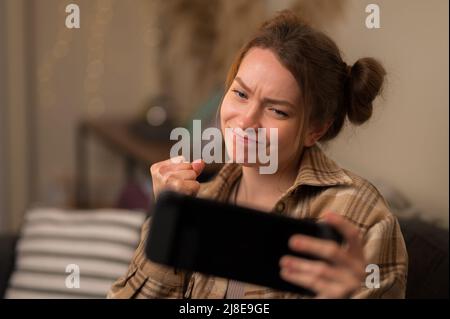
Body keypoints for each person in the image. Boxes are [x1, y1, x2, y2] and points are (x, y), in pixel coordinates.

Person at [107, 10, 407, 299]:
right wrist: (165, 224)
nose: (246, 121)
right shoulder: (200, 200)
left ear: (314, 130)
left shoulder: (363, 216)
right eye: (240, 93)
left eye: (277, 110)